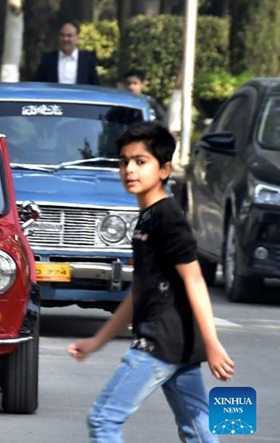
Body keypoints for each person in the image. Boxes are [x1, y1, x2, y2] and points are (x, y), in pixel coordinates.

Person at [67, 123, 234, 442]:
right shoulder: (147, 218)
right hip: (177, 343)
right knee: (197, 429)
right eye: (123, 161)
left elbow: (195, 280)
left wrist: (213, 344)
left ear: (165, 169)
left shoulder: (168, 218)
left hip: (160, 342)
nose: (129, 169)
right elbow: (139, 291)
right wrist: (97, 341)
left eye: (140, 161)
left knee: (104, 420)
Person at [32, 22, 101, 85]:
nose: (65, 39)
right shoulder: (48, 59)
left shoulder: (87, 60)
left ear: (77, 38)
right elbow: (36, 83)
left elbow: (95, 86)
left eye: (69, 36)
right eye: (62, 35)